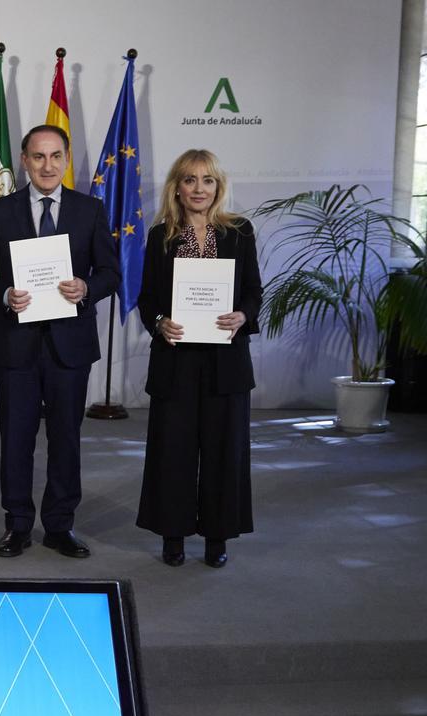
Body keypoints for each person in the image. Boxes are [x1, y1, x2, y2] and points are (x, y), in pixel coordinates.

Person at [0, 124, 120, 559]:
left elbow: (111, 273)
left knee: (66, 439)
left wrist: (86, 288)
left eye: (55, 156)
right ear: (25, 161)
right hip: (17, 346)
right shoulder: (0, 211)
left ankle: (59, 526)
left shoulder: (90, 210)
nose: (47, 165)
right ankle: (16, 525)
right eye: (38, 156)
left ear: (67, 160)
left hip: (70, 348)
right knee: (16, 439)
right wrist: (4, 295)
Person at [136, 149, 262, 568]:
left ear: (218, 186)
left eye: (207, 180)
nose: (199, 188)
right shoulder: (160, 236)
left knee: (224, 452)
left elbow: (253, 291)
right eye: (190, 180)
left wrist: (243, 315)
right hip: (177, 360)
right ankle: (173, 535)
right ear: (178, 186)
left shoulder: (240, 232)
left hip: (226, 362)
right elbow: (147, 299)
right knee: (173, 451)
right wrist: (159, 322)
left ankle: (216, 537)